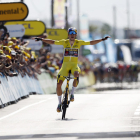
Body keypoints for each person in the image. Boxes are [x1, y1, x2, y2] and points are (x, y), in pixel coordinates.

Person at [34, 27, 110, 112]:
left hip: (74, 65)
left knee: (77, 74)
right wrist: (41, 39)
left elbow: (91, 42)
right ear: (68, 35)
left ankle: (72, 94)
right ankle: (59, 103)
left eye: (74, 34)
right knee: (59, 84)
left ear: (76, 35)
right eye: (71, 34)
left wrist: (102, 39)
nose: (72, 35)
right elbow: (52, 42)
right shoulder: (64, 42)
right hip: (65, 66)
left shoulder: (79, 42)